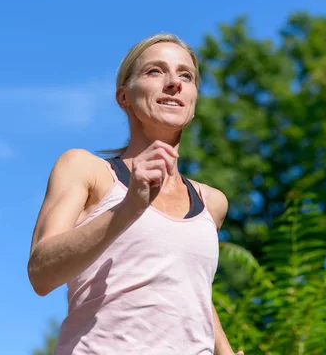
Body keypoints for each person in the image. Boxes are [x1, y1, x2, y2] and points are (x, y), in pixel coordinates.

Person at [27, 33, 244, 355]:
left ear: (194, 100)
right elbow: (41, 274)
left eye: (186, 75)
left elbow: (189, 291)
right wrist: (129, 207)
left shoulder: (212, 202)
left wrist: (225, 351)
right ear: (124, 96)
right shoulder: (87, 170)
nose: (174, 82)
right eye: (155, 71)